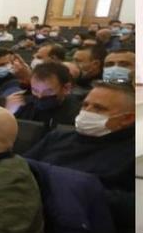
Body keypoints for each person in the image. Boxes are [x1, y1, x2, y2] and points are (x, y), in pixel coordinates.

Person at [25, 81, 134, 220]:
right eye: (85, 105)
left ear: (127, 118)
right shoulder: (58, 136)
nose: (87, 112)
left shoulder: (133, 155)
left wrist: (74, 188)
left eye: (99, 108)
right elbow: (22, 168)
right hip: (32, 210)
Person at [3, 61, 81, 129]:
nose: (40, 96)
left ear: (66, 88)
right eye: (35, 90)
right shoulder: (22, 104)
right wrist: (8, 114)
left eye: (48, 91)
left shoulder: (76, 115)